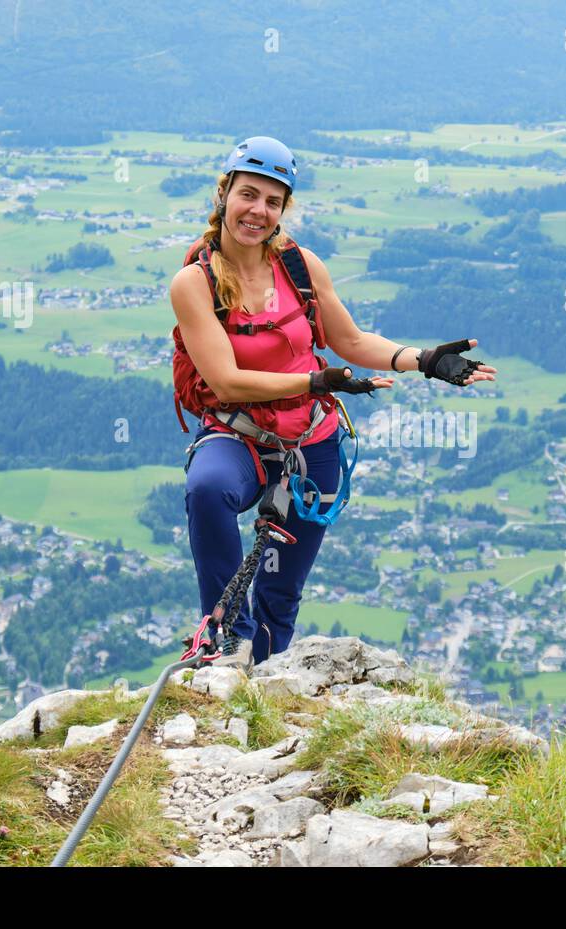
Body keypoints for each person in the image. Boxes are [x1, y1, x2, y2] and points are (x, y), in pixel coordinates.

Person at [170, 135, 497, 668]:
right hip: (240, 434)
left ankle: (266, 681)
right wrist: (313, 383)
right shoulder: (195, 283)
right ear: (224, 193)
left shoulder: (300, 266)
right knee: (207, 489)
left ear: (283, 209)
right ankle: (226, 639)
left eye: (272, 201)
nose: (258, 210)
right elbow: (226, 381)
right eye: (248, 194)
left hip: (310, 443)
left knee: (281, 592)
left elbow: (349, 342)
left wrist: (426, 360)